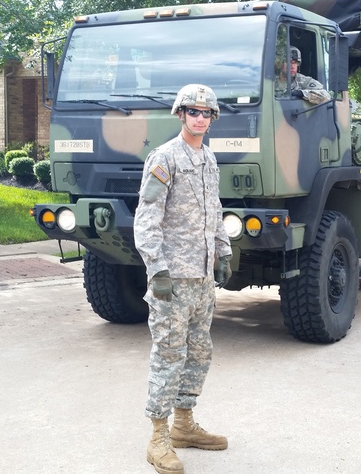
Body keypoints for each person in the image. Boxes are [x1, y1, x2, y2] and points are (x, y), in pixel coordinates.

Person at [134, 83, 233, 474]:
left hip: (202, 278)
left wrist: (223, 252)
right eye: (193, 111)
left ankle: (184, 425)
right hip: (172, 279)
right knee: (169, 356)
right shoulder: (165, 158)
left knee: (199, 353)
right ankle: (158, 438)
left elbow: (215, 209)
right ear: (180, 115)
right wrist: (156, 269)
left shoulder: (208, 158)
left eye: (207, 113)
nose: (200, 118)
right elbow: (147, 218)